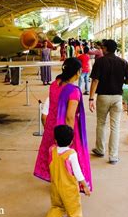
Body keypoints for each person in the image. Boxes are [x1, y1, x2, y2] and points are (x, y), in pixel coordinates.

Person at [34, 58, 93, 194]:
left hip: (52, 127)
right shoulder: (73, 91)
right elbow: (70, 116)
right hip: (65, 129)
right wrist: (70, 136)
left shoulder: (55, 84)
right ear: (78, 72)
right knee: (69, 158)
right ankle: (69, 185)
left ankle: (56, 180)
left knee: (55, 157)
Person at [89, 39, 128, 165]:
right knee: (115, 127)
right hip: (117, 98)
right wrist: (122, 81)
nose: (101, 49)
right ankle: (113, 156)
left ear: (106, 49)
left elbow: (95, 81)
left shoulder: (100, 62)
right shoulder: (123, 62)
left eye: (103, 47)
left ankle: (100, 149)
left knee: (101, 123)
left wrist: (91, 98)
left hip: (103, 97)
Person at [45, 125, 90, 217]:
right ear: (71, 141)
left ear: (56, 140)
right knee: (74, 210)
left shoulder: (52, 150)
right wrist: (85, 186)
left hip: (55, 187)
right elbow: (78, 173)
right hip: (69, 190)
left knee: (56, 207)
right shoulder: (71, 154)